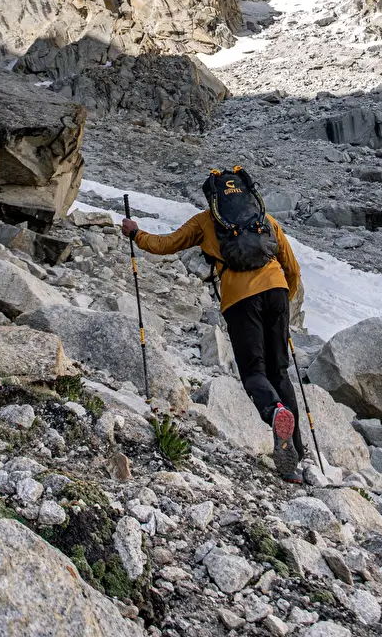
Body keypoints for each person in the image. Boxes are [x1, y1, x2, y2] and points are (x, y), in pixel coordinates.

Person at [121, 177, 305, 483]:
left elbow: (165, 244)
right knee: (280, 373)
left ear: (214, 199)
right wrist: (284, 299)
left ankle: (274, 413)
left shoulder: (206, 222)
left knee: (254, 373)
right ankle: (294, 457)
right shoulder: (264, 219)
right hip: (276, 292)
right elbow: (293, 268)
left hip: (240, 301)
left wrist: (136, 233)